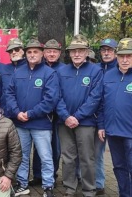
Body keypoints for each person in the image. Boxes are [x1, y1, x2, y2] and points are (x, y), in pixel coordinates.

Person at [97, 38, 132, 197]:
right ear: (117, 56)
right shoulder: (108, 76)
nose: (125, 60)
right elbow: (102, 103)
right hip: (113, 133)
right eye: (121, 56)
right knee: (119, 168)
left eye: (129, 56)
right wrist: (101, 125)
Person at [7, 39, 59, 197]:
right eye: (29, 52)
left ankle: (48, 186)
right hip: (20, 123)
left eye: (35, 52)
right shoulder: (18, 72)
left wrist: (30, 114)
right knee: (21, 155)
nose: (32, 54)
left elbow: (50, 100)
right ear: (25, 53)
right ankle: (22, 183)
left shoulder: (49, 73)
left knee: (45, 156)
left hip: (41, 124)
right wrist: (17, 112)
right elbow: (9, 94)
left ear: (42, 54)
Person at [56, 34, 103, 197]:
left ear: (86, 53)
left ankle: (89, 189)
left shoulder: (96, 71)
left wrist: (77, 116)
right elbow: (57, 96)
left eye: (81, 51)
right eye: (73, 51)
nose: (77, 54)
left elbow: (95, 98)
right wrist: (66, 116)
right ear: (69, 53)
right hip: (65, 122)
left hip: (86, 122)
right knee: (68, 157)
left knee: (87, 157)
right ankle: (69, 188)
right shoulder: (62, 71)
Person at [30, 39, 65, 186]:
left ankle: (52, 175)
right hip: (41, 114)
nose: (51, 54)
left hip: (57, 115)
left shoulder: (64, 69)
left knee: (55, 148)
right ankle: (38, 175)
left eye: (54, 51)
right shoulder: (38, 67)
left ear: (59, 53)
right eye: (49, 51)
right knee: (39, 147)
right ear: (44, 53)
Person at [94, 38, 117, 195]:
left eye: (110, 50)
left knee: (120, 158)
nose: (106, 52)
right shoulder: (95, 68)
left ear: (116, 52)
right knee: (97, 153)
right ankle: (98, 183)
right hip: (97, 118)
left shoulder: (122, 68)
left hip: (116, 119)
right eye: (104, 50)